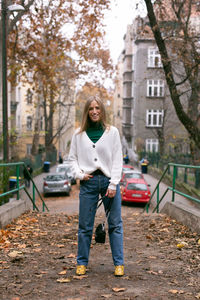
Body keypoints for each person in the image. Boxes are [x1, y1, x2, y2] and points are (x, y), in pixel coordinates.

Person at [68, 96, 124, 277]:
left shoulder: (112, 132)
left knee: (115, 224)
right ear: (86, 111)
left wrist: (114, 183)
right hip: (88, 182)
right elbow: (72, 159)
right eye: (91, 108)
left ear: (102, 110)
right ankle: (81, 263)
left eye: (97, 108)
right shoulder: (78, 134)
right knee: (85, 226)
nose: (94, 111)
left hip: (109, 182)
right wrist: (79, 174)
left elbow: (117, 159)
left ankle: (119, 264)